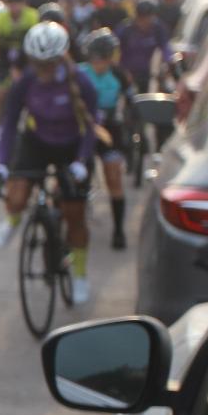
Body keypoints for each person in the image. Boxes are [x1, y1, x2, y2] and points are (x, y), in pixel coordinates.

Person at [0, 21, 98, 305]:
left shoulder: (82, 82)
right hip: (37, 142)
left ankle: (80, 273)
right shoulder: (25, 82)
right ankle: (12, 220)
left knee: (74, 215)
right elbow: (10, 123)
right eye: (37, 63)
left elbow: (91, 125)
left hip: (72, 147)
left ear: (61, 58)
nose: (43, 70)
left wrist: (82, 162)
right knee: (16, 193)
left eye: (48, 64)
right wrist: (2, 163)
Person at [81, 29, 136, 250]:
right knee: (75, 178)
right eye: (94, 59)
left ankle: (119, 230)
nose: (99, 64)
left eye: (103, 59)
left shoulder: (120, 75)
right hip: (83, 130)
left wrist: (131, 129)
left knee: (113, 176)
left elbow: (132, 102)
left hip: (110, 131)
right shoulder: (79, 73)